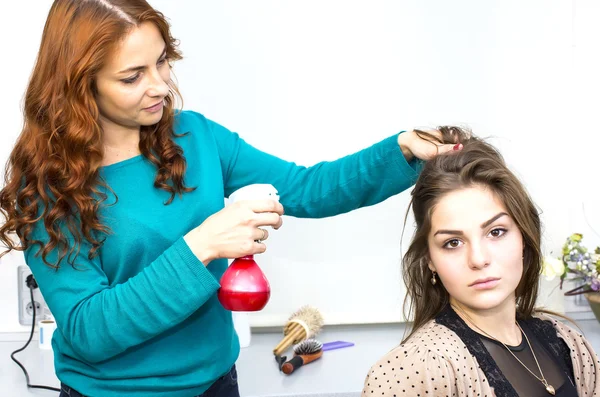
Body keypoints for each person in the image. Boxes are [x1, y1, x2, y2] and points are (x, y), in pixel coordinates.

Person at [0, 1, 459, 397]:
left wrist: (401, 147)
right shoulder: (48, 186)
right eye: (132, 76)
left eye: (162, 62)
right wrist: (202, 245)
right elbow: (88, 331)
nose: (159, 85)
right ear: (82, 84)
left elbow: (308, 188)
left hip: (218, 382)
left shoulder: (195, 137)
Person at [362, 127, 600, 396]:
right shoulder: (414, 370)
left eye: (496, 232)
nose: (478, 259)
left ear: (524, 235)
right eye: (453, 243)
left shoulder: (567, 342)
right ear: (430, 259)